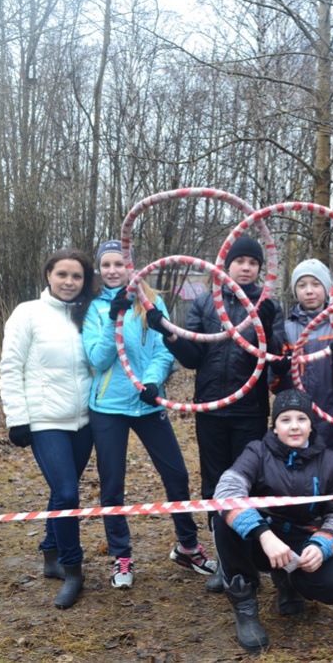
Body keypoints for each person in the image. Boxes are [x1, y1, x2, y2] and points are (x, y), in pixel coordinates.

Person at [153, 235, 286, 591]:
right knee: (214, 486)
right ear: (226, 265)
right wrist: (167, 333)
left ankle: (249, 558)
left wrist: (269, 328)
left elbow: (276, 360)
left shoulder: (268, 302)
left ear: (260, 269)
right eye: (239, 260)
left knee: (248, 486)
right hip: (210, 410)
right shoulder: (204, 303)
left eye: (252, 262)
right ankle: (225, 564)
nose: (245, 267)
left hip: (250, 411)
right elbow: (193, 357)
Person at [83, 240, 216, 590]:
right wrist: (115, 317)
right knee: (112, 484)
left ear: (132, 267)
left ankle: (188, 546)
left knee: (176, 474)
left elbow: (163, 350)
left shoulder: (152, 302)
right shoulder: (95, 308)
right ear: (100, 269)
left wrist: (154, 381)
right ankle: (121, 555)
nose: (113, 270)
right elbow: (96, 360)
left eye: (120, 264)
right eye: (106, 264)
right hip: (107, 407)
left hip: (147, 403)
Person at [213, 389, 333, 653]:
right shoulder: (256, 451)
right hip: (260, 539)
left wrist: (321, 546)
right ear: (275, 426)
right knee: (223, 519)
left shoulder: (331, 462)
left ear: (311, 425)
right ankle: (245, 607)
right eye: (285, 419)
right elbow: (227, 491)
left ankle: (289, 581)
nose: (294, 426)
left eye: (301, 419)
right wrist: (263, 535)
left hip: (303, 537)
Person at [0, 249, 95, 609]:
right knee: (68, 495)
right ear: (48, 275)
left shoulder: (88, 314)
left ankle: (50, 555)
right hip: (44, 421)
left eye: (77, 276)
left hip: (84, 421)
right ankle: (73, 570)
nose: (69, 282)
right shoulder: (28, 313)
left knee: (61, 491)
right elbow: (11, 367)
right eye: (62, 274)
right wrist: (17, 419)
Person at [271, 258, 333, 455]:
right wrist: (280, 371)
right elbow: (277, 387)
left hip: (332, 419)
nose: (309, 291)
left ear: (327, 288)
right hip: (296, 424)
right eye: (302, 285)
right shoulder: (286, 330)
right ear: (295, 291)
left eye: (316, 284)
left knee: (331, 479)